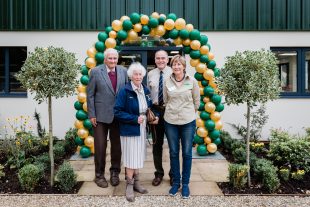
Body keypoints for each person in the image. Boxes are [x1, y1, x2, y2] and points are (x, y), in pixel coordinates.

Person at [114, 62, 158, 202]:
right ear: (131, 76)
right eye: (135, 74)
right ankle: (129, 185)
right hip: (130, 129)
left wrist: (154, 116)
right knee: (130, 158)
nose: (138, 76)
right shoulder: (124, 91)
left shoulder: (145, 90)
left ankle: (137, 183)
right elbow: (117, 112)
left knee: (138, 156)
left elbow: (149, 107)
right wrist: (134, 119)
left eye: (140, 74)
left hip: (142, 129)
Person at [87, 48, 128, 188]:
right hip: (100, 116)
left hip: (118, 115)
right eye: (110, 58)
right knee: (100, 147)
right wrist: (91, 114)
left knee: (117, 147)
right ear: (105, 59)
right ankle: (99, 175)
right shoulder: (96, 72)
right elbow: (90, 94)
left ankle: (115, 173)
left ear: (118, 59)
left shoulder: (123, 71)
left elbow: (126, 92)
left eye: (115, 58)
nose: (112, 61)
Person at [163, 55, 200, 199]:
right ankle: (175, 183)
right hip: (170, 121)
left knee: (186, 153)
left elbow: (196, 102)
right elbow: (166, 101)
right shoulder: (167, 81)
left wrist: (188, 113)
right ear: (171, 67)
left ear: (184, 66)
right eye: (174, 65)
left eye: (179, 64)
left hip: (188, 122)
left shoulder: (192, 81)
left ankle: (185, 184)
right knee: (173, 153)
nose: (176, 67)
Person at [147, 50, 173, 186]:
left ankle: (173, 174)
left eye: (163, 58)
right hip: (156, 112)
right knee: (157, 145)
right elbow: (148, 95)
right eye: (158, 58)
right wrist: (151, 113)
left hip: (171, 111)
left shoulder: (174, 72)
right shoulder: (150, 74)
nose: (161, 60)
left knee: (173, 146)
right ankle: (158, 173)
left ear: (167, 59)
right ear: (155, 60)